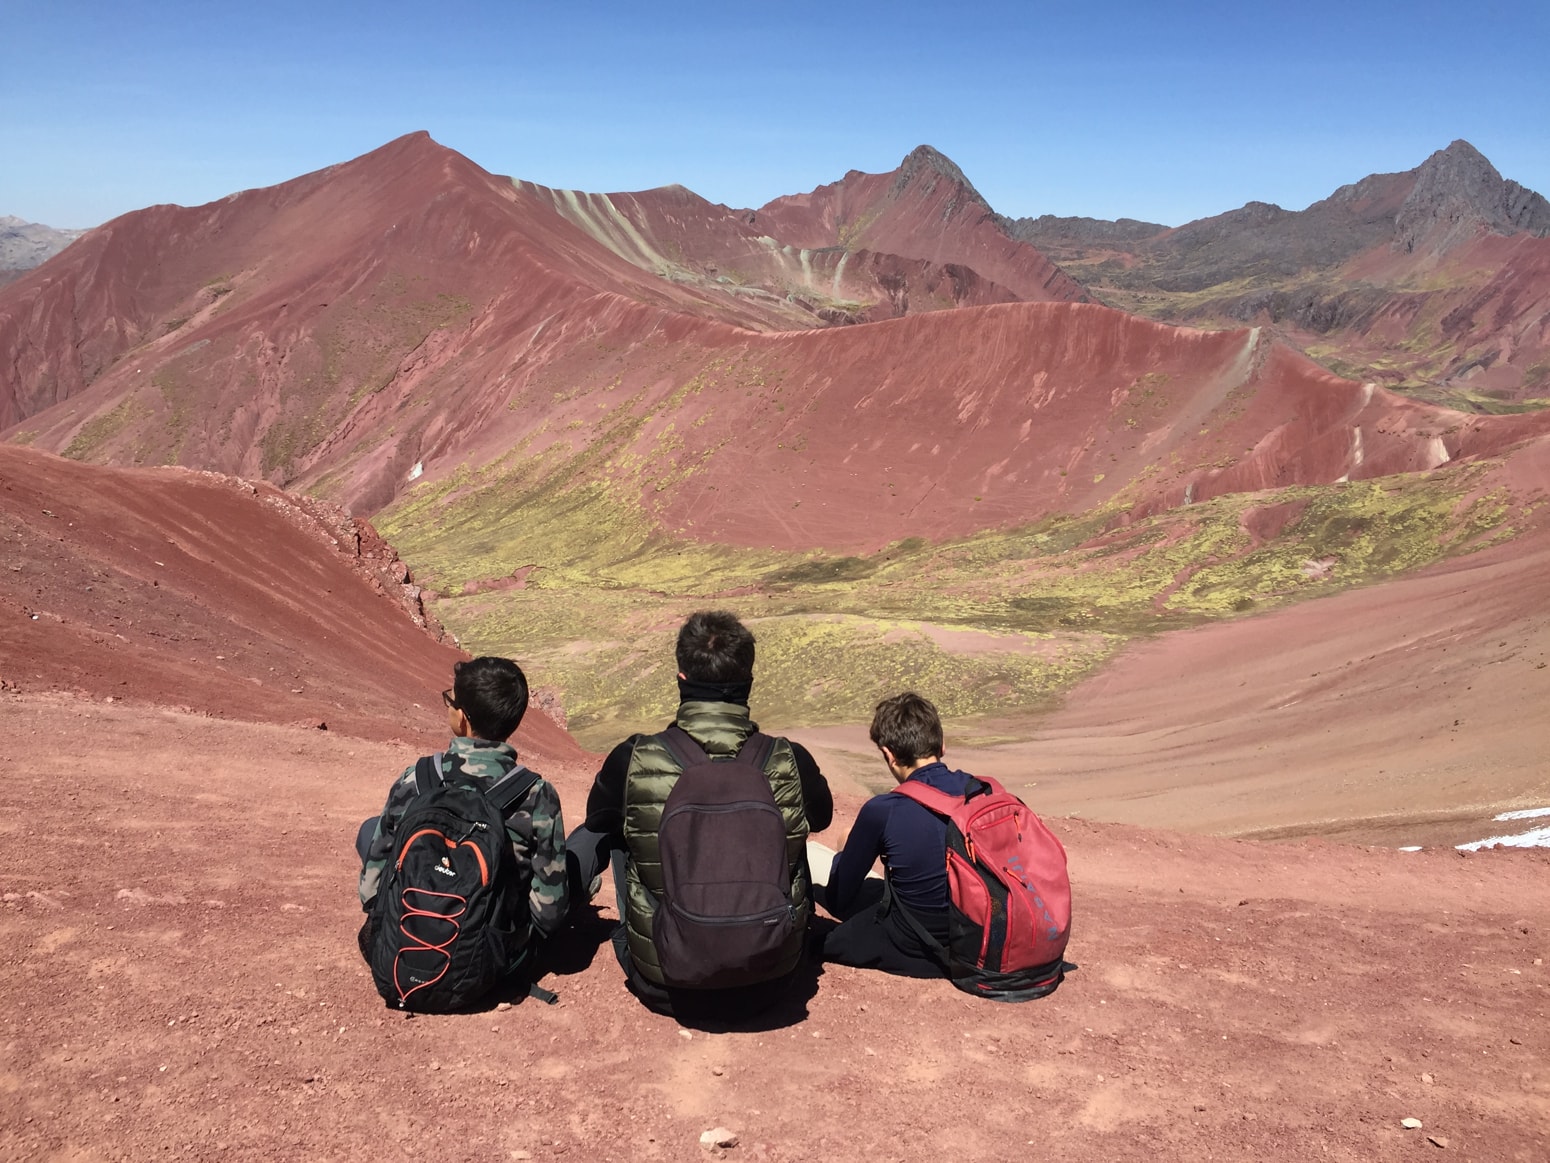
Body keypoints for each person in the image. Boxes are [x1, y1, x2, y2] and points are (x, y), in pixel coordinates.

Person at [567, 610, 833, 1019]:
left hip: (664, 983)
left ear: (681, 680)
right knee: (792, 838)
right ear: (747, 684)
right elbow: (822, 818)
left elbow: (598, 822)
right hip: (773, 978)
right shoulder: (790, 759)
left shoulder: (633, 757)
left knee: (616, 826)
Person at [356, 656, 569, 996]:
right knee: (570, 862)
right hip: (493, 958)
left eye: (451, 700)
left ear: (463, 718)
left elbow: (371, 892)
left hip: (406, 941)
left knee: (370, 830)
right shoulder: (535, 794)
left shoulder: (417, 779)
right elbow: (549, 912)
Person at [818, 691, 965, 978]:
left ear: (888, 754)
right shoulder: (982, 792)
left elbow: (839, 900)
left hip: (918, 945)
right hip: (984, 933)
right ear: (942, 746)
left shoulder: (883, 810)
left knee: (820, 925)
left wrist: (844, 854)